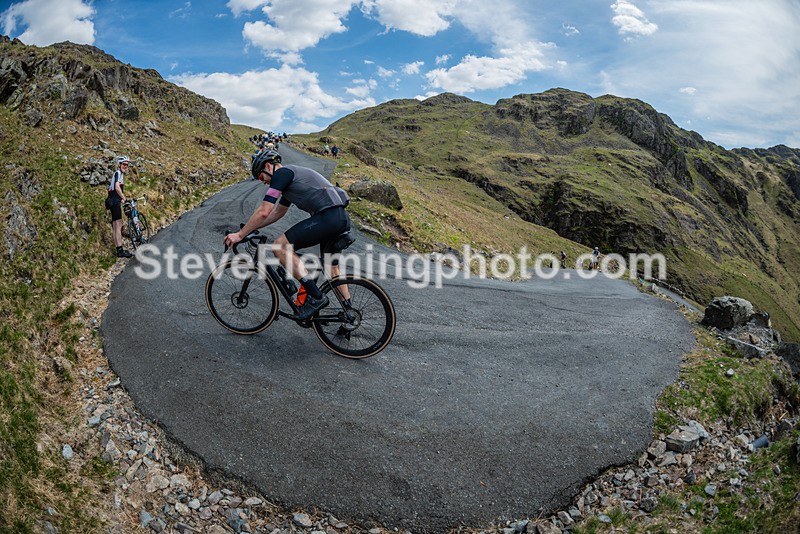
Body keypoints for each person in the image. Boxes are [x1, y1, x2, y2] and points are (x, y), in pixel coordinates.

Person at [224, 150, 352, 320]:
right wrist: (249, 228)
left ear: (268, 166)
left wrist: (240, 235)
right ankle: (349, 315)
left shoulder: (282, 174)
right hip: (340, 218)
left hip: (327, 217)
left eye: (261, 177)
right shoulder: (291, 179)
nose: (263, 182)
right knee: (331, 267)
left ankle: (316, 298)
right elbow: (277, 213)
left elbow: (264, 211)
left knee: (280, 246)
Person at [106, 156, 133, 258]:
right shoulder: (118, 173)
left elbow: (113, 190)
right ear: (119, 164)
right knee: (118, 225)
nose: (125, 166)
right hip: (114, 202)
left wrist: (121, 199)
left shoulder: (120, 174)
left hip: (113, 201)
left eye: (127, 165)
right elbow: (117, 188)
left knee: (116, 225)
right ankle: (120, 250)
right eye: (124, 164)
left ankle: (118, 249)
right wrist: (124, 198)